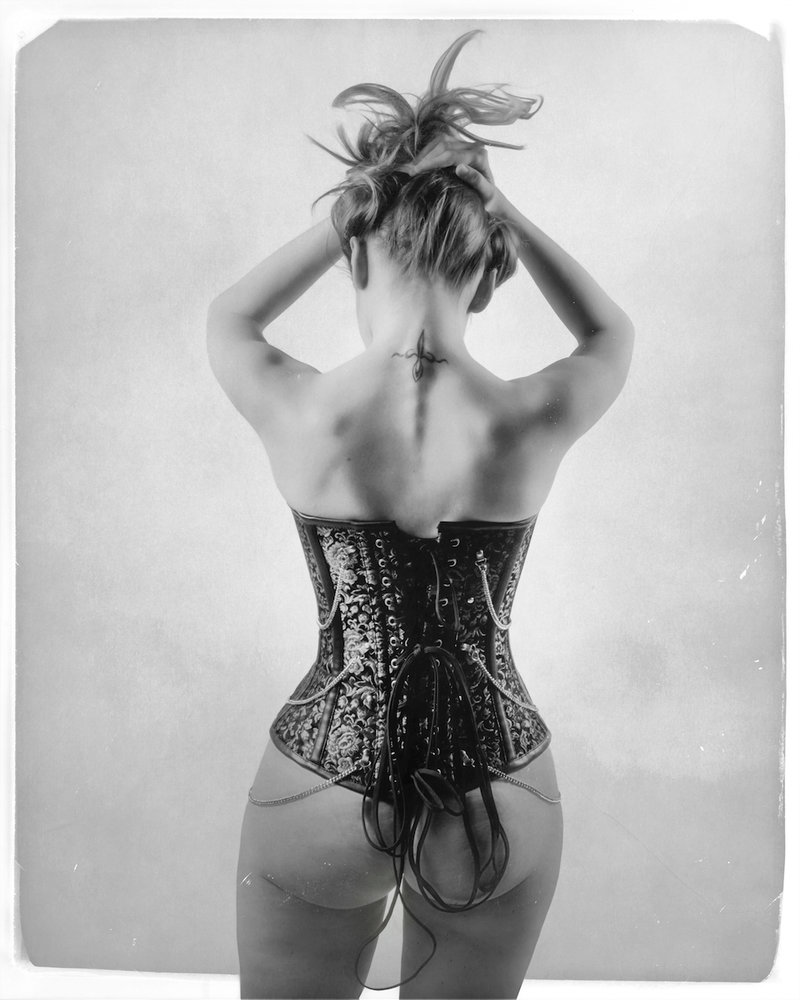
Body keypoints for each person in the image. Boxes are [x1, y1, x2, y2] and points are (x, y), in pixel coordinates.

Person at [207, 31, 634, 1000]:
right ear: (489, 275)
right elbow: (609, 331)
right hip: (501, 788)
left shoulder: (303, 408)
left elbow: (228, 316)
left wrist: (356, 204)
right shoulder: (529, 415)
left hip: (318, 783)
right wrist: (497, 205)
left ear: (357, 255)